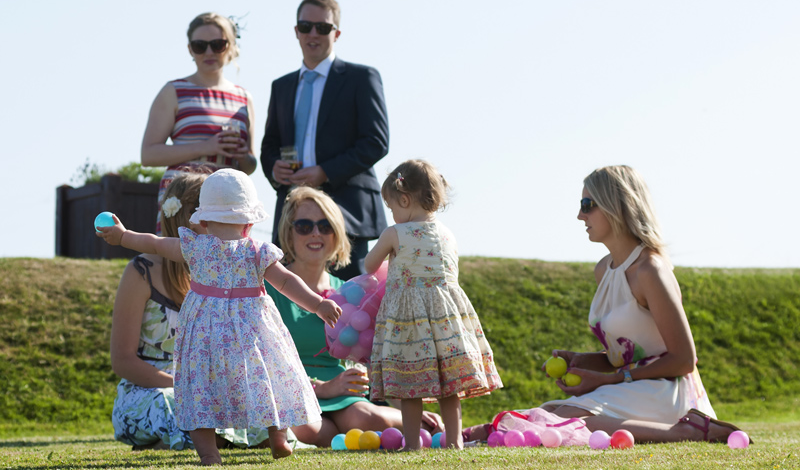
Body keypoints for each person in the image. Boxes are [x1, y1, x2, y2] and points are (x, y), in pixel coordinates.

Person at [471, 165, 745, 444]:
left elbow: (684, 360)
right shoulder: (604, 270)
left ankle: (686, 430)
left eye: (587, 205)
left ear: (617, 207)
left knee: (563, 418)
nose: (580, 215)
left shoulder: (650, 270)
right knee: (547, 412)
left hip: (669, 392)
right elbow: (629, 354)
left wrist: (610, 380)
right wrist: (582, 360)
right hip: (635, 386)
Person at [98, 169, 341, 465]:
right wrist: (317, 304)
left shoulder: (196, 247)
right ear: (249, 223)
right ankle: (278, 437)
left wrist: (123, 236)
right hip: (251, 336)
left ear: (203, 220)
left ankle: (209, 453)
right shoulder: (257, 251)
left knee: (199, 392)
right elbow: (288, 282)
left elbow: (154, 243)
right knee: (266, 382)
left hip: (205, 338)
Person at [265, 186, 444, 447]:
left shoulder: (353, 291)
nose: (316, 233)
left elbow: (377, 357)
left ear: (337, 234)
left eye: (325, 226)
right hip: (290, 395)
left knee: (369, 419)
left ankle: (457, 429)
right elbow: (261, 362)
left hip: (346, 398)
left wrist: (409, 407)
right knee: (317, 433)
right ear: (288, 233)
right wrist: (322, 388)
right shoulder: (268, 290)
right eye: (304, 226)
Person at [110, 171, 275, 451]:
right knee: (175, 405)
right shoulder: (142, 271)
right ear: (190, 218)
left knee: (260, 412)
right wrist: (186, 385)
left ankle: (194, 441)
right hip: (154, 389)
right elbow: (122, 361)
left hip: (212, 388)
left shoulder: (230, 274)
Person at [364, 160, 504, 450]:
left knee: (409, 384)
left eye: (392, 207)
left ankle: (412, 443)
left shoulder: (395, 233)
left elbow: (369, 264)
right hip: (446, 320)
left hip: (410, 320)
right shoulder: (448, 234)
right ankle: (454, 441)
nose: (393, 213)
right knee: (448, 383)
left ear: (404, 199)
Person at [261, 0, 389, 280]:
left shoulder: (361, 78)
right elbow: (269, 145)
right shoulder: (281, 86)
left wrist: (325, 172)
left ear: (337, 33)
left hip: (347, 212)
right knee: (288, 305)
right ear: (296, 31)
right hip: (293, 215)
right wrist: (274, 167)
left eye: (323, 27)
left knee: (351, 307)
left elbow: (376, 141)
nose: (313, 34)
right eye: (306, 27)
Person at [142, 12, 258, 234]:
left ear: (231, 46)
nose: (208, 52)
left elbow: (250, 165)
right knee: (176, 265)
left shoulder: (244, 98)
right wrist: (207, 147)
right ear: (190, 50)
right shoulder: (173, 91)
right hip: (182, 198)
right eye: (199, 45)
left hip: (227, 202)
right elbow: (148, 155)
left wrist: (243, 155)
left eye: (217, 44)